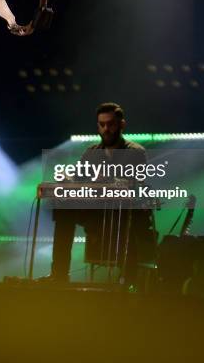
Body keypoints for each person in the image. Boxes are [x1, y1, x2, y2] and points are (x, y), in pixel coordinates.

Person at [48, 102, 155, 284]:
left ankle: (128, 281)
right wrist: (67, 179)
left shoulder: (135, 152)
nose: (106, 129)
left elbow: (134, 185)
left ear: (121, 125)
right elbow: (77, 176)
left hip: (123, 214)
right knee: (63, 208)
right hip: (96, 213)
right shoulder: (91, 152)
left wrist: (107, 180)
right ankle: (59, 275)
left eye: (111, 124)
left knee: (129, 218)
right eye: (102, 124)